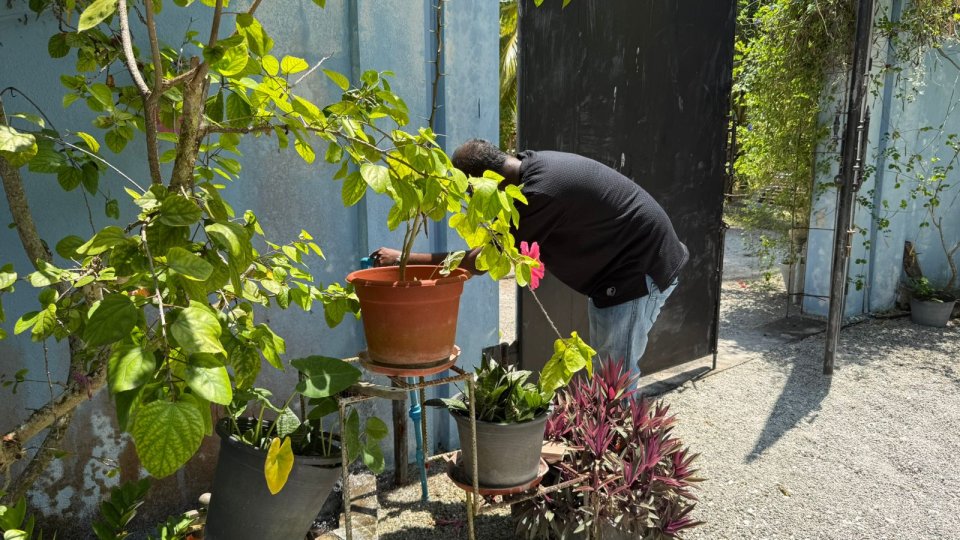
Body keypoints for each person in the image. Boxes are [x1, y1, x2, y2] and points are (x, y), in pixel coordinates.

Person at [369, 139, 688, 371]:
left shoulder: (537, 197)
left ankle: (620, 462)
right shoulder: (531, 166)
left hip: (638, 268)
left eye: (471, 192)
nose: (473, 201)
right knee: (607, 371)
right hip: (618, 271)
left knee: (614, 378)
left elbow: (481, 261)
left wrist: (405, 259)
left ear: (485, 182)